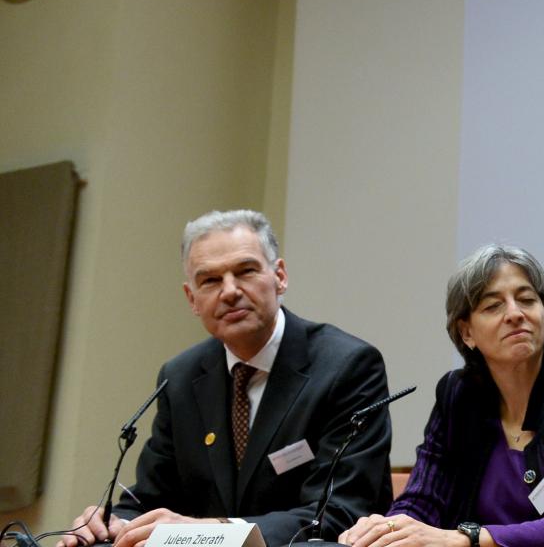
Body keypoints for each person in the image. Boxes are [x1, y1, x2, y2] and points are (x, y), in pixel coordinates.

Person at [62, 210, 392, 547]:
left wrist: (214, 531)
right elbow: (150, 499)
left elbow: (339, 513)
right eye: (210, 281)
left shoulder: (346, 366)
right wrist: (112, 524)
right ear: (192, 299)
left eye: (245, 271)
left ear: (280, 276)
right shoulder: (180, 378)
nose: (230, 291)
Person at [339, 245, 544, 547]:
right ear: (466, 333)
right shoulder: (458, 395)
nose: (515, 314)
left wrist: (463, 539)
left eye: (527, 300)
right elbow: (424, 498)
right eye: (492, 306)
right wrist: (388, 532)